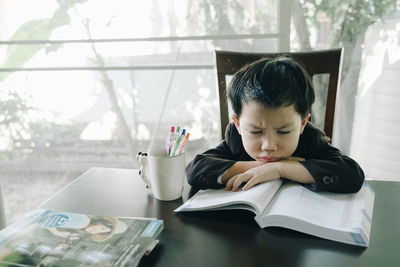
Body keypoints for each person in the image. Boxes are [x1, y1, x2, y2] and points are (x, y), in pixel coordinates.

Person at [186, 56, 364, 193]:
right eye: (255, 131)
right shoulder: (235, 138)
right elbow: (195, 170)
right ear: (238, 124)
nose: (269, 145)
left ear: (302, 124)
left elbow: (352, 175)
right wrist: (260, 168)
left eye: (284, 131)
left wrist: (280, 169)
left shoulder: (311, 138)